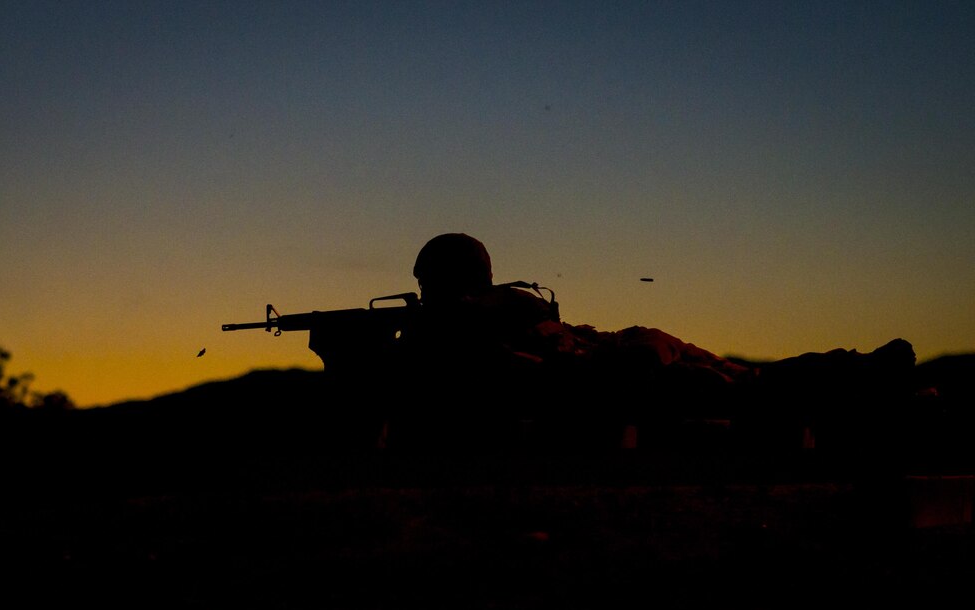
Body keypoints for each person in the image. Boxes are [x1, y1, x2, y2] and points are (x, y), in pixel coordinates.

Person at [381, 232, 916, 456]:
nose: (425, 293)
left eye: (431, 282)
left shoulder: (483, 312)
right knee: (745, 382)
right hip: (631, 350)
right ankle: (862, 371)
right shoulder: (507, 305)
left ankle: (860, 374)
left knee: (739, 391)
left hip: (623, 363)